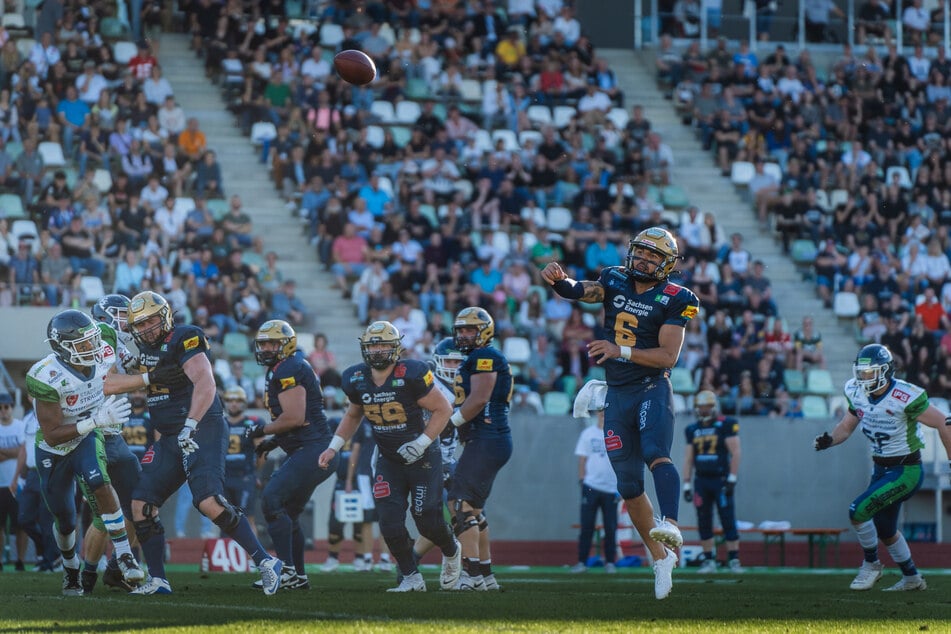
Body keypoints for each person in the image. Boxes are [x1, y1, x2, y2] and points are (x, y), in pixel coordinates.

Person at [540, 226, 700, 600]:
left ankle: (672, 525)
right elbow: (583, 290)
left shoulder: (677, 298)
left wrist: (619, 351)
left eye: (652, 256)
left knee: (656, 454)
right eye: (640, 252)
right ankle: (660, 558)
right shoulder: (615, 278)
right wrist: (560, 281)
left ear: (667, 265)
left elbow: (668, 357)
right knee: (628, 487)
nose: (642, 260)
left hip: (651, 386)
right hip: (617, 393)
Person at [103, 291, 283, 596]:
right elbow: (110, 384)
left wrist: (191, 423)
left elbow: (205, 382)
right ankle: (159, 579)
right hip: (170, 436)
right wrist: (146, 376)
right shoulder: (141, 351)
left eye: (150, 321)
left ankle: (266, 562)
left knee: (207, 502)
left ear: (166, 316)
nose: (146, 328)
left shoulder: (185, 337)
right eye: (140, 324)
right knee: (140, 504)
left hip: (202, 427)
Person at [318, 321, 462, 592]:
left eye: (383, 344)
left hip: (423, 457)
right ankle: (411, 576)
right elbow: (353, 415)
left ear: (396, 348)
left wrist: (421, 442)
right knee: (389, 522)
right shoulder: (355, 377)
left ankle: (452, 550)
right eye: (373, 344)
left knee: (427, 519)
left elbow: (443, 409)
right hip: (388, 458)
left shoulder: (413, 372)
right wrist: (333, 447)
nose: (378, 350)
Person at [25, 309, 145, 595]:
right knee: (65, 520)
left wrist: (148, 376)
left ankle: (125, 554)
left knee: (99, 483)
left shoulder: (103, 343)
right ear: (63, 348)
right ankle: (70, 568)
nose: (92, 347)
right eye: (83, 344)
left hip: (88, 437)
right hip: (54, 449)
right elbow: (53, 436)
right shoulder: (45, 376)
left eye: (92, 340)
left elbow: (119, 365)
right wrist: (95, 420)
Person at [815, 344, 951, 592]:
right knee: (886, 529)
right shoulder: (855, 391)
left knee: (858, 511)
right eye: (862, 372)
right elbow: (846, 426)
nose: (864, 378)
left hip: (906, 469)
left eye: (870, 372)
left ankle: (871, 564)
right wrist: (830, 440)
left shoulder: (905, 396)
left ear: (886, 371)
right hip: (880, 469)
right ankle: (912, 578)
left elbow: (945, 423)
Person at [245, 319, 337, 590]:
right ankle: (297, 575)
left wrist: (260, 429)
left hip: (313, 449)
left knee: (272, 499)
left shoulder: (289, 367)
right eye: (262, 343)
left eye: (272, 343)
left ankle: (285, 571)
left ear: (286, 345)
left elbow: (295, 417)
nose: (265, 348)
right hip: (310, 448)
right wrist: (272, 442)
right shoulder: (282, 367)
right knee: (288, 511)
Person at [446, 307, 513, 591]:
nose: (463, 335)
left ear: (484, 331)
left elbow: (478, 399)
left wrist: (450, 424)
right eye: (460, 330)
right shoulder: (477, 357)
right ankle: (485, 575)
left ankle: (471, 576)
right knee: (473, 508)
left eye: (469, 330)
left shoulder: (485, 356)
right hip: (488, 439)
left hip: (488, 437)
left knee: (458, 504)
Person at [81, 293, 144, 592]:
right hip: (90, 434)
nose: (127, 319)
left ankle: (119, 566)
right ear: (105, 316)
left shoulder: (115, 341)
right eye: (121, 313)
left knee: (139, 503)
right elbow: (110, 379)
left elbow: (128, 368)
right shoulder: (101, 333)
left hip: (114, 435)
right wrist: (149, 377)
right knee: (104, 515)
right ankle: (86, 574)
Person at [681, 390, 743, 573]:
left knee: (727, 518)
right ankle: (708, 560)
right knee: (703, 520)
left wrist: (732, 478)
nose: (704, 410)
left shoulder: (726, 424)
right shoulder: (692, 429)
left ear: (714, 406)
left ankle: (734, 560)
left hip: (720, 478)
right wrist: (686, 483)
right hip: (701, 480)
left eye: (707, 406)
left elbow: (736, 451)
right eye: (701, 406)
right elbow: (688, 458)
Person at [570, 380, 619, 574]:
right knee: (587, 527)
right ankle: (582, 561)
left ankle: (610, 562)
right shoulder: (588, 434)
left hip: (611, 487)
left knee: (611, 527)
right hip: (591, 486)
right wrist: (582, 480)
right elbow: (582, 459)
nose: (603, 415)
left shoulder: (616, 433)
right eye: (600, 412)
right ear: (597, 414)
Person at [221, 387, 259, 538]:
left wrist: (252, 472)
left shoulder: (251, 423)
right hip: (224, 477)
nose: (234, 404)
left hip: (244, 477)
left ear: (243, 403)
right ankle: (226, 560)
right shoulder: (220, 423)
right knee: (223, 519)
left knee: (247, 519)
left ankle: (254, 559)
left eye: (237, 401)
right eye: (230, 400)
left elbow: (261, 453)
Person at [0, 391, 26, 572]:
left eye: (6, 407)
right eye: (0, 408)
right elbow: (17, 451)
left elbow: (22, 452)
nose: (3, 411)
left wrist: (4, 452)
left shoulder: (20, 426)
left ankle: (20, 560)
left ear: (11, 407)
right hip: (0, 485)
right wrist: (14, 451)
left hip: (17, 484)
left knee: (21, 525)